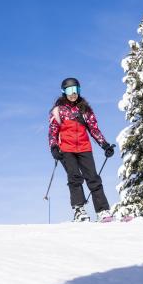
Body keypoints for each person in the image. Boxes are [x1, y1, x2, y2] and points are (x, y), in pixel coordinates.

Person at [49, 77, 115, 222]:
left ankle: (103, 210)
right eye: (69, 90)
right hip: (67, 149)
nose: (73, 93)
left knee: (93, 178)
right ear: (63, 92)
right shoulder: (57, 111)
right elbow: (53, 131)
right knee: (74, 178)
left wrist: (105, 145)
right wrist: (54, 147)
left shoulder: (85, 110)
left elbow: (94, 129)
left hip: (84, 148)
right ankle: (79, 210)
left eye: (76, 90)